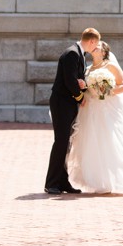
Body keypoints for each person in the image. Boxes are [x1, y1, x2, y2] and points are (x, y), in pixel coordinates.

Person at [67, 40, 123, 194]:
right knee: (93, 143)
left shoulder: (111, 66)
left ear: (104, 51)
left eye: (99, 46)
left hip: (108, 110)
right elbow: (87, 89)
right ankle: (98, 182)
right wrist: (83, 86)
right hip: (91, 111)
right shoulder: (88, 69)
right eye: (94, 45)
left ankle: (116, 181)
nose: (95, 47)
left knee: (110, 144)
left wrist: (105, 91)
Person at [44, 27, 100, 195]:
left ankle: (62, 182)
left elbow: (75, 78)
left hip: (66, 104)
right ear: (91, 41)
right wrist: (80, 97)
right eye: (95, 44)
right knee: (61, 142)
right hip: (62, 103)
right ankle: (51, 183)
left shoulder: (77, 53)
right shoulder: (72, 53)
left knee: (66, 144)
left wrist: (82, 84)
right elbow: (69, 81)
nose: (95, 48)